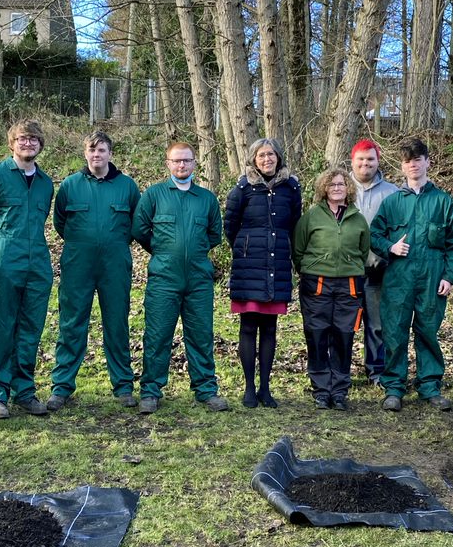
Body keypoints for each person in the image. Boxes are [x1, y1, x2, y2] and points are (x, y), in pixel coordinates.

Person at [48, 131, 140, 411]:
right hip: (78, 263)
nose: (96, 154)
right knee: (71, 324)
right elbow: (60, 223)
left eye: (102, 150)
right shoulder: (70, 186)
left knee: (117, 323)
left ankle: (123, 385)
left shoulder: (127, 187)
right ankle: (62, 386)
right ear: (85, 153)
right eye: (92, 149)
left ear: (110, 154)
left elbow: (135, 226)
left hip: (115, 265)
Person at [369, 137, 453, 411]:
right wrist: (390, 247)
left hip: (432, 278)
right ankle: (394, 388)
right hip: (398, 278)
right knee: (395, 332)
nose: (413, 165)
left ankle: (430, 386)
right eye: (408, 161)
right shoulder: (392, 202)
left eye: (418, 160)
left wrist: (450, 276)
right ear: (402, 166)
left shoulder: (442, 201)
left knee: (428, 332)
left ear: (427, 163)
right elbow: (374, 234)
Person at [132, 141, 226, 414]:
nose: (182, 165)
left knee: (200, 335)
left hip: (198, 279)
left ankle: (206, 389)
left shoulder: (206, 199)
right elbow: (140, 229)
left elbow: (214, 235)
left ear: (195, 163)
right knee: (158, 335)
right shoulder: (154, 195)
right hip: (164, 278)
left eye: (186, 160)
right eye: (176, 161)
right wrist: (163, 252)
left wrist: (192, 253)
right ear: (168, 164)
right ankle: (150, 391)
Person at [0, 120, 54, 418]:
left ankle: (24, 390)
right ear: (12, 143)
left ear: (40, 145)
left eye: (34, 139)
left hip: (37, 266)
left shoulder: (46, 182)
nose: (28, 143)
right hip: (4, 263)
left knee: (31, 329)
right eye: (22, 139)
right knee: (1, 327)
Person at [224, 138, 302, 408]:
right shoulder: (243, 187)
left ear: (278, 157)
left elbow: (294, 224)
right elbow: (230, 226)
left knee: (270, 328)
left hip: (277, 264)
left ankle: (265, 388)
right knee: (248, 327)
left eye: (271, 154)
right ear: (253, 159)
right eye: (261, 155)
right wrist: (246, 247)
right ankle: (248, 388)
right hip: (250, 265)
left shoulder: (291, 188)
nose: (267, 159)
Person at [292, 168, 371, 410]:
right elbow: (298, 249)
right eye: (332, 184)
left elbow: (364, 250)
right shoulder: (311, 217)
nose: (337, 188)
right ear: (324, 188)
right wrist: (312, 268)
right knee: (317, 334)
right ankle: (321, 390)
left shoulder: (358, 219)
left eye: (341, 184)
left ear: (348, 188)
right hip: (317, 283)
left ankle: (339, 391)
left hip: (349, 283)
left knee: (343, 335)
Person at [350, 139, 398, 386]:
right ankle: (339, 372)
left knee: (377, 323)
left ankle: (376, 371)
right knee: (344, 323)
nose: (365, 164)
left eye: (370, 159)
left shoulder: (392, 192)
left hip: (379, 268)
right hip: (346, 269)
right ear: (352, 161)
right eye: (361, 159)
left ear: (378, 161)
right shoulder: (341, 187)